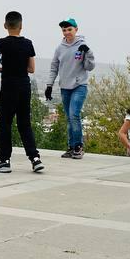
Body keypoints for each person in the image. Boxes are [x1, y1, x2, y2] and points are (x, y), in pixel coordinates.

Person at [0, 11, 44, 174]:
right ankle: (35, 159)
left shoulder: (0, 43)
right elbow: (31, 69)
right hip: (24, 86)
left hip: (9, 86)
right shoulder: (28, 44)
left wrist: (4, 69)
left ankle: (4, 161)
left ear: (5, 26)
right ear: (21, 26)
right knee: (24, 124)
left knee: (5, 123)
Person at [44, 18, 95, 159]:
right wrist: (49, 85)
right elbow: (54, 67)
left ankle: (78, 146)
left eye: (69, 29)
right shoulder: (60, 48)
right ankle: (71, 147)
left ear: (76, 29)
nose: (67, 32)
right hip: (65, 87)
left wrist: (88, 53)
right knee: (69, 118)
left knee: (74, 115)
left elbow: (89, 67)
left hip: (79, 86)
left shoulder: (82, 45)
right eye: (64, 30)